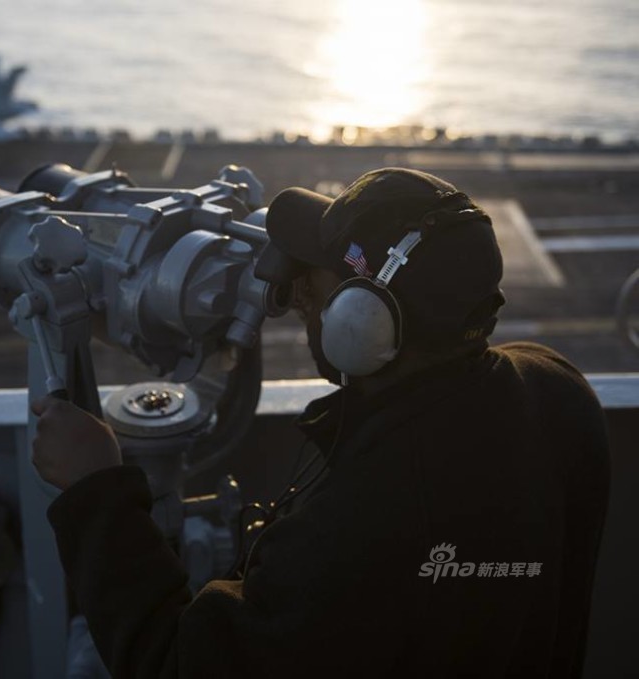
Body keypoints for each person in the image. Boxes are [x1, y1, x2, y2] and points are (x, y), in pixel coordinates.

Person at [31, 167, 610, 678]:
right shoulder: (557, 390)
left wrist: (96, 492)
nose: (300, 286)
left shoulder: (360, 526)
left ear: (367, 319)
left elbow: (174, 665)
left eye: (320, 271)